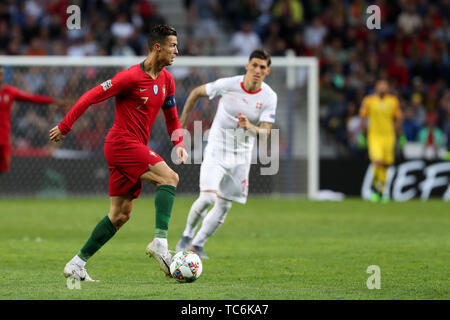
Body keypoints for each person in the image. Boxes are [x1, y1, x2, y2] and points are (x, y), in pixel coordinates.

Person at [49, 25, 188, 282]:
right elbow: (90, 96)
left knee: (120, 215)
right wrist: (65, 126)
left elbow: (172, 117)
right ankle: (160, 242)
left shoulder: (167, 80)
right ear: (157, 47)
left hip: (133, 146)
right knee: (170, 178)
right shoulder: (130, 77)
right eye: (172, 46)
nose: (177, 51)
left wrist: (179, 142)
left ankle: (76, 263)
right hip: (121, 143)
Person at [175, 49, 277, 258]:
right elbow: (196, 92)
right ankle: (185, 236)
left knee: (224, 205)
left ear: (267, 71)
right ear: (247, 66)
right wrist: (181, 126)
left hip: (241, 157)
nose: (258, 70)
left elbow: (266, 133)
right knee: (208, 198)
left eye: (262, 67)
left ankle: (198, 245)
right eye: (255, 65)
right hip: (216, 149)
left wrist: (250, 127)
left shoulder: (269, 96)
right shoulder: (228, 84)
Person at [0, 66, 64, 176]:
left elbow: (33, 98)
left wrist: (53, 101)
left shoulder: (9, 91)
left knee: (3, 169)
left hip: (4, 137)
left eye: (1, 73)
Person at [358, 79, 404, 203]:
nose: (383, 88)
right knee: (377, 162)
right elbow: (363, 117)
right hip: (374, 136)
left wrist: (400, 134)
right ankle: (377, 190)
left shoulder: (393, 101)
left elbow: (398, 118)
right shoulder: (369, 101)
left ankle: (381, 192)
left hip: (389, 136)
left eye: (385, 85)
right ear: (376, 88)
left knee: (384, 165)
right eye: (380, 86)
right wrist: (362, 135)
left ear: (388, 88)